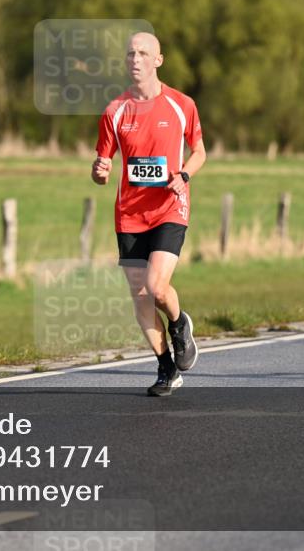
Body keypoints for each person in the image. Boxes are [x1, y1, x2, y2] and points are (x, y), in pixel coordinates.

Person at [92, 32, 206, 396]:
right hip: (129, 214)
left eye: (143, 53)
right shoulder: (115, 110)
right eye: (130, 54)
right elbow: (102, 163)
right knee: (140, 295)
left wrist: (183, 174)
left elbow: (200, 151)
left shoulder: (180, 104)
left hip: (170, 206)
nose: (135, 59)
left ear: (158, 60)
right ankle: (166, 368)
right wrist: (99, 171)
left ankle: (177, 322)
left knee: (157, 287)